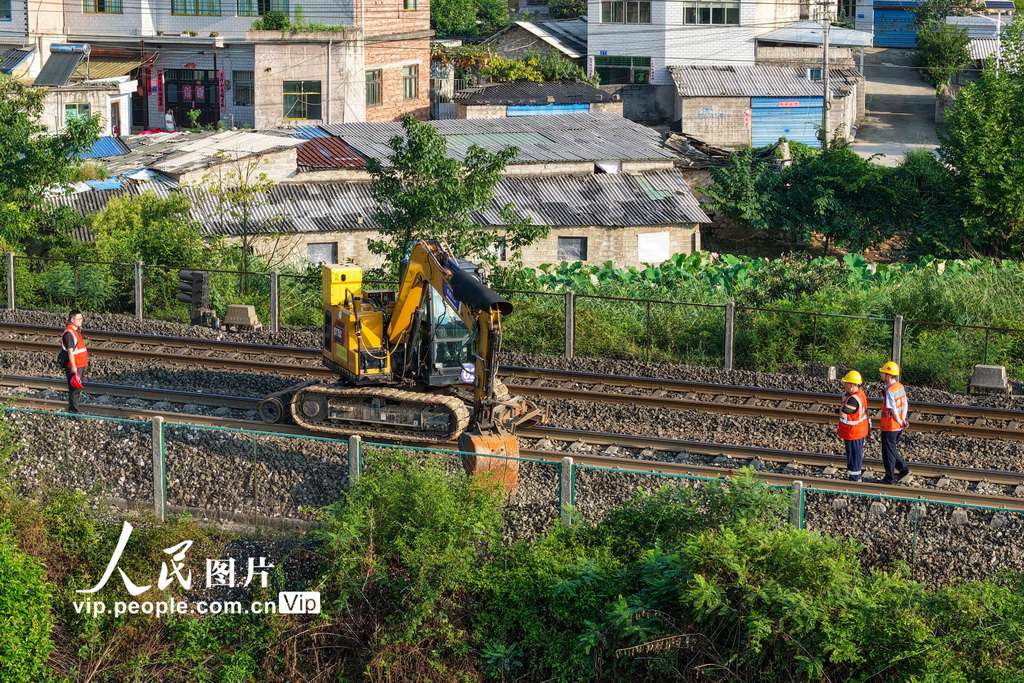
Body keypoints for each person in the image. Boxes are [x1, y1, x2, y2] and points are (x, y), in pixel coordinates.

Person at [879, 361, 911, 484]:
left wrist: (899, 420)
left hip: (890, 425)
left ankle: (889, 478)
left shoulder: (890, 391)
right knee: (891, 449)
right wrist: (903, 420)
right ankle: (903, 469)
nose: (881, 374)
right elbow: (905, 404)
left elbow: (893, 409)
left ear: (888, 376)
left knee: (888, 453)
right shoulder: (900, 386)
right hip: (898, 425)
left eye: (883, 373)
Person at [838, 370, 869, 482]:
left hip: (853, 432)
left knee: (854, 456)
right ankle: (855, 477)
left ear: (851, 385)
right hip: (859, 430)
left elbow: (843, 413)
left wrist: (842, 402)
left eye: (845, 383)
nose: (843, 385)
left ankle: (855, 479)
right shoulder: (860, 394)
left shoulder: (853, 399)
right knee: (856, 455)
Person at [61, 310, 89, 414]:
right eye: (79, 319)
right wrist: (73, 367)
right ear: (72, 320)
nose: (81, 321)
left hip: (80, 363)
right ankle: (73, 411)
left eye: (82, 318)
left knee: (77, 388)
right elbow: (70, 351)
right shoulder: (69, 333)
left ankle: (74, 410)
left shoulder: (76, 330)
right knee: (74, 389)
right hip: (75, 365)